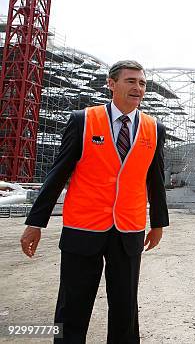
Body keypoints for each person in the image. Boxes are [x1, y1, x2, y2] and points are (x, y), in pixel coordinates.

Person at [20, 60, 169, 343]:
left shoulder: (154, 128)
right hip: (83, 228)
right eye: (130, 81)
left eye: (142, 83)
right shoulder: (83, 120)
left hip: (128, 230)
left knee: (125, 309)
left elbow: (155, 180)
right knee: (71, 308)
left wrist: (159, 223)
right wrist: (35, 223)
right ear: (111, 84)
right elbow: (57, 175)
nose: (138, 88)